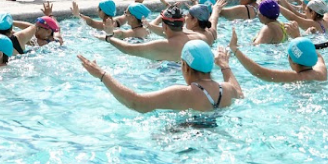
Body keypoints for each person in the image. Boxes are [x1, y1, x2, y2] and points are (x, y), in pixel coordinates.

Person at [78, 41, 242, 113]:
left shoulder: (183, 93)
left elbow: (136, 103)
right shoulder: (226, 89)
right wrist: (225, 66)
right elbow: (239, 93)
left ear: (185, 65)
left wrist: (102, 75)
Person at [103, 5, 206, 62]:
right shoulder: (196, 38)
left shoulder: (162, 45)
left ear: (164, 26)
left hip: (166, 76)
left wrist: (109, 37)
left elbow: (128, 49)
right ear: (182, 23)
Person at [230, 32, 328, 83]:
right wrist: (299, 39)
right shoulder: (321, 72)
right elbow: (316, 55)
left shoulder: (294, 77)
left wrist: (235, 49)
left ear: (292, 61)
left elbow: (258, 72)